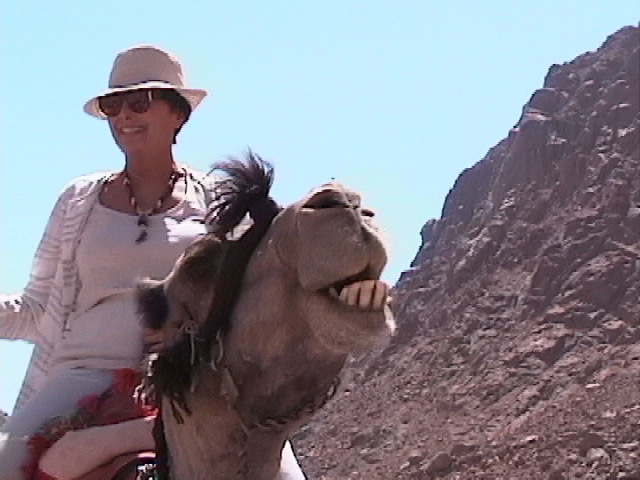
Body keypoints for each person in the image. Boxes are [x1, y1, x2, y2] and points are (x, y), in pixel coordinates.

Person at [0, 45, 305, 479]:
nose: (125, 116)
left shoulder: (219, 202)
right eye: (113, 105)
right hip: (80, 374)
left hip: (192, 377)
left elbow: (250, 299)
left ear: (178, 114)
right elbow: (37, 308)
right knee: (6, 462)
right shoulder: (77, 201)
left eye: (140, 102)